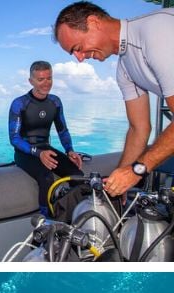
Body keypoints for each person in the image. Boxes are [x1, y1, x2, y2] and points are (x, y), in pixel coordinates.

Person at [54, 2, 174, 197]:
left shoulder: (157, 32)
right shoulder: (124, 70)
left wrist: (136, 170)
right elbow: (139, 129)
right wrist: (120, 182)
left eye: (78, 47)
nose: (79, 58)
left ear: (93, 22)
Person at [9, 61, 84, 217]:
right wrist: (38, 153)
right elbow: (14, 139)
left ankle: (73, 216)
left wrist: (69, 150)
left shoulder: (55, 102)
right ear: (31, 81)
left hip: (46, 148)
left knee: (78, 176)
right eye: (40, 79)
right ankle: (46, 222)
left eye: (49, 78)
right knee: (47, 178)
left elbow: (62, 130)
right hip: (25, 153)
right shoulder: (20, 104)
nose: (46, 83)